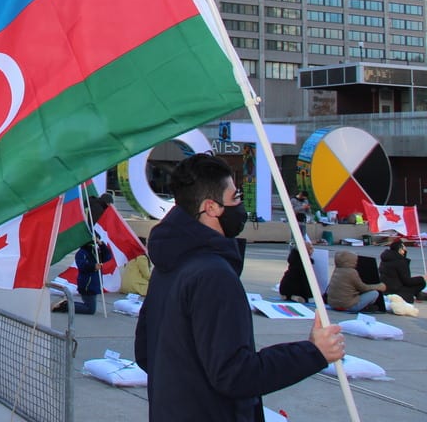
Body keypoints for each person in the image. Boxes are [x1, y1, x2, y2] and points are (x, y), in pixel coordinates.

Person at [134, 153, 343, 421]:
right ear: (211, 207)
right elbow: (234, 374)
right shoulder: (213, 275)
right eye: (235, 198)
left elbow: (146, 354)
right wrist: (312, 353)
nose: (240, 205)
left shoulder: (169, 265)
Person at [379, 239, 427, 303]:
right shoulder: (400, 262)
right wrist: (422, 278)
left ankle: (418, 295)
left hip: (386, 288)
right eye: (404, 247)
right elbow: (407, 281)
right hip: (396, 290)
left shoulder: (386, 259)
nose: (405, 249)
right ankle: (408, 295)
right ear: (400, 249)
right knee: (421, 283)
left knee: (418, 281)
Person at [74, 237, 113, 314]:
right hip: (87, 284)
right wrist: (93, 267)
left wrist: (101, 244)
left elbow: (108, 256)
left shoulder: (96, 252)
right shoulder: (81, 253)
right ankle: (66, 305)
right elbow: (82, 266)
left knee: (89, 307)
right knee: (90, 309)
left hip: (94, 284)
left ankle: (68, 303)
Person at [278, 238, 316, 303]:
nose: (313, 250)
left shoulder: (295, 260)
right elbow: (306, 280)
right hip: (292, 288)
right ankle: (292, 296)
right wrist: (311, 296)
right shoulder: (302, 264)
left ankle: (288, 296)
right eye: (310, 248)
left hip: (284, 287)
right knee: (304, 297)